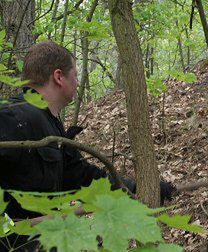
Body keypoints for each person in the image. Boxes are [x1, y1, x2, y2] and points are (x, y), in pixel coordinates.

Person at [0, 41, 173, 251]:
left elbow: (84, 178)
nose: (78, 81)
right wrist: (7, 229)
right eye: (75, 75)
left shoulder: (51, 125)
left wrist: (134, 188)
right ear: (58, 77)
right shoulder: (13, 117)